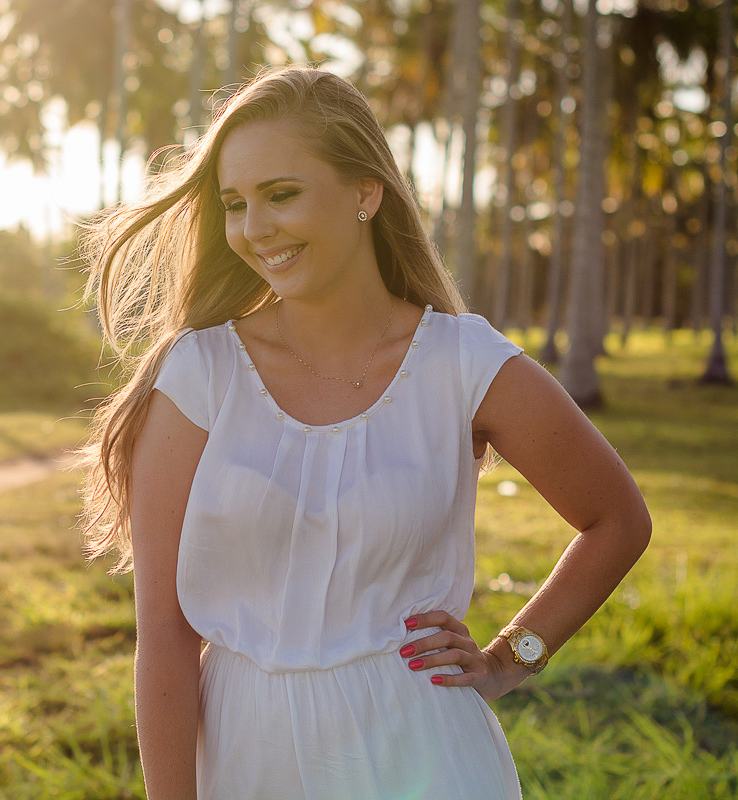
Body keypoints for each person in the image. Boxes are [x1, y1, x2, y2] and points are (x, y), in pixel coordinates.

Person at [80, 66, 650, 799]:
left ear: (365, 192)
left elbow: (616, 519)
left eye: (282, 193)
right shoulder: (201, 374)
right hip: (245, 757)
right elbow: (163, 631)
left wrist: (513, 657)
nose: (255, 228)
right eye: (235, 203)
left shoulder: (463, 363)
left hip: (428, 755)